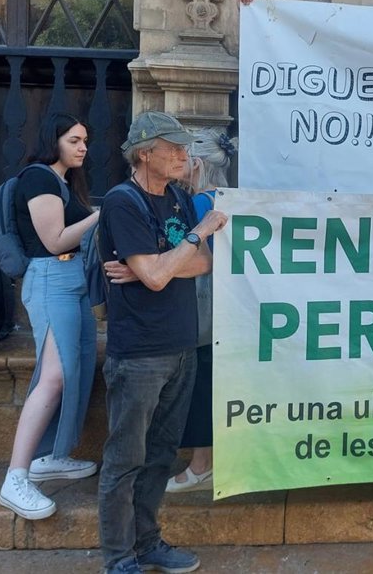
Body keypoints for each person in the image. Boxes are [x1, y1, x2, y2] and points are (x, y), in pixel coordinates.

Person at [96, 111, 228, 574]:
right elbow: (161, 273)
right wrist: (195, 235)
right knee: (125, 459)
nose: (182, 156)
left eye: (183, 148)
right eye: (172, 148)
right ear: (144, 153)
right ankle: (119, 557)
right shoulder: (123, 202)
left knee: (160, 456)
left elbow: (203, 264)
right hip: (139, 354)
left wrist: (154, 266)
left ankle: (148, 542)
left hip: (181, 346)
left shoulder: (177, 197)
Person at [0, 113, 101, 520]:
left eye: (85, 141)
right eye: (74, 140)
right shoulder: (38, 178)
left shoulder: (63, 182)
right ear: (52, 140)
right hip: (50, 278)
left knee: (78, 368)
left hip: (72, 279)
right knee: (54, 375)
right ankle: (16, 477)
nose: (83, 148)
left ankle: (52, 456)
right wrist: (101, 214)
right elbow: (55, 240)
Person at [165, 128, 236, 493]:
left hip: (200, 306)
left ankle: (200, 464)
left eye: (181, 155)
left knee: (199, 383)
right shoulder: (227, 198)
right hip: (225, 306)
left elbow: (189, 256)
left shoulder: (196, 204)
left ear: (195, 163)